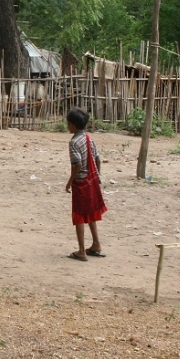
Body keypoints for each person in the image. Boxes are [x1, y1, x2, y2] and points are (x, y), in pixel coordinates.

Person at [64, 107, 107, 262]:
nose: (67, 126)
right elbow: (97, 159)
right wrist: (97, 175)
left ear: (73, 125)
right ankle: (96, 244)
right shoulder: (89, 138)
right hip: (92, 180)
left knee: (79, 216)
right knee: (90, 213)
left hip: (81, 182)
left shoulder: (74, 142)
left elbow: (77, 164)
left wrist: (69, 182)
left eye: (68, 123)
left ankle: (82, 251)